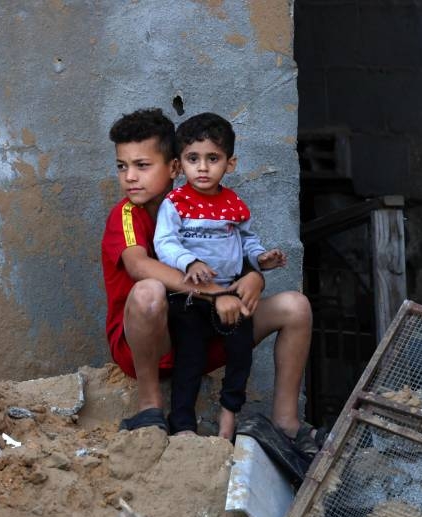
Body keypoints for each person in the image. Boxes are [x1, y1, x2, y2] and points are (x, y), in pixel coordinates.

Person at [100, 107, 315, 447]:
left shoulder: (206, 207)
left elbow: (230, 253)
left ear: (173, 167)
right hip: (154, 342)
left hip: (206, 334)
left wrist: (254, 275)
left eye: (142, 166)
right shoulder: (127, 214)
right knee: (148, 291)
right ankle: (150, 405)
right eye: (122, 167)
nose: (130, 177)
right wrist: (216, 293)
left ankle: (286, 424)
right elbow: (139, 267)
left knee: (296, 306)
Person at [153, 112, 285, 438]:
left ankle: (229, 419)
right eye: (192, 159)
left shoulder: (234, 204)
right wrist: (189, 262)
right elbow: (164, 243)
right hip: (191, 299)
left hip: (232, 295)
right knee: (190, 359)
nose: (202, 167)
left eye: (213, 158)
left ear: (230, 164)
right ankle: (183, 425)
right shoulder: (176, 203)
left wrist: (260, 258)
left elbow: (246, 241)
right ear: (178, 164)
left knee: (241, 354)